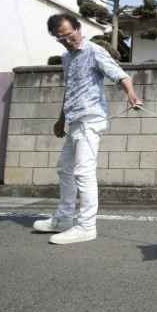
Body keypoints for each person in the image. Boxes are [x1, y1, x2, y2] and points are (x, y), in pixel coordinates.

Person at [33, 14, 142, 244]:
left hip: (90, 119)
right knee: (64, 169)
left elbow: (121, 75)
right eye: (60, 38)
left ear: (78, 28)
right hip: (74, 121)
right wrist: (61, 120)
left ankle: (86, 226)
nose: (66, 41)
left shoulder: (94, 51)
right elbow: (69, 91)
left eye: (69, 35)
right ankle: (63, 219)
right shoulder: (66, 58)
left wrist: (131, 95)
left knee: (84, 172)